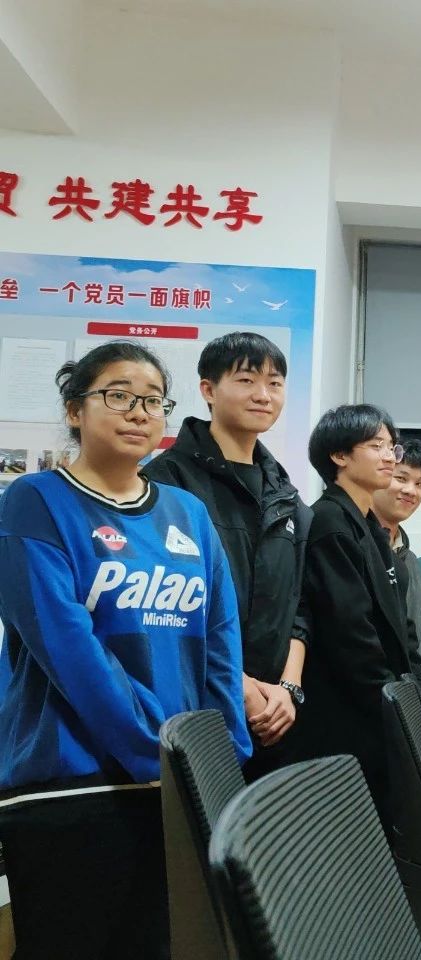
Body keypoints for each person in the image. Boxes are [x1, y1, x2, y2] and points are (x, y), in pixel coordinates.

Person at [0, 341, 249, 958]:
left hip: (176, 788)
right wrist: (157, 754)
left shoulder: (188, 514)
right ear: (74, 409)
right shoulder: (34, 502)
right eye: (118, 395)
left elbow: (220, 645)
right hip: (71, 787)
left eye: (153, 401)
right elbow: (70, 652)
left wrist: (222, 758)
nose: (139, 412)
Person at [143, 331, 310, 778]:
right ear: (208, 390)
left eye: (274, 384)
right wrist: (237, 684)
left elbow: (299, 603)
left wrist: (287, 687)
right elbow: (167, 605)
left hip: (274, 714)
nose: (263, 395)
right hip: (193, 703)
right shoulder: (166, 482)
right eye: (246, 380)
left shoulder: (285, 493)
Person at [295, 404, 420, 830]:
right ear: (340, 456)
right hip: (347, 718)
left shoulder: (369, 525)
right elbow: (350, 633)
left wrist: (411, 692)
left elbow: (400, 625)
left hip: (380, 709)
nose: (390, 457)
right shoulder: (330, 521)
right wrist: (392, 704)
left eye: (392, 447)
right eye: (376, 446)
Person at [370, 438, 421, 702]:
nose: (411, 490)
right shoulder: (353, 544)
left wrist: (420, 704)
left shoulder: (410, 561)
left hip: (409, 705)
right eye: (401, 478)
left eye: (420, 484)